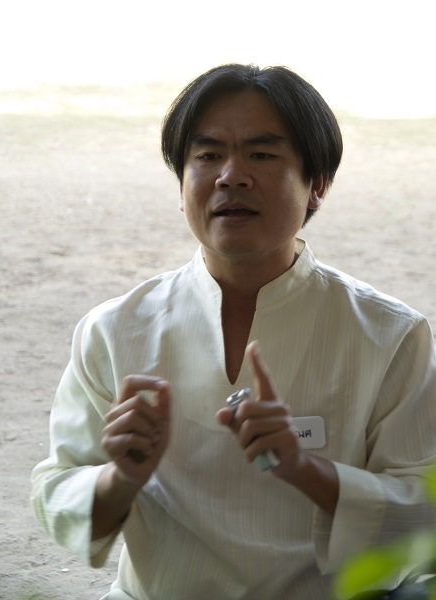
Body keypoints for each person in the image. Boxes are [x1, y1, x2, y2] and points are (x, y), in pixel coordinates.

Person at [31, 63, 436, 600]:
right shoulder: (114, 329)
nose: (231, 176)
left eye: (262, 155)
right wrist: (120, 477)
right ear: (181, 187)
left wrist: (304, 469)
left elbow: (423, 514)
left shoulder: (391, 335)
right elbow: (58, 488)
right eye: (207, 156)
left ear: (316, 185)